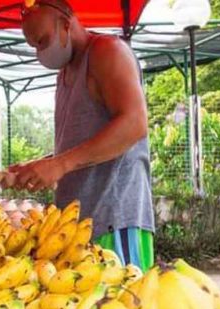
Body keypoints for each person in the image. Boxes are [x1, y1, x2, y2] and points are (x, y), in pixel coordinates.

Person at [11, 0, 154, 271]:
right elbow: (81, 145)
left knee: (126, 307)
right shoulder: (65, 73)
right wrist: (41, 165)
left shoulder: (107, 51)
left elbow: (134, 123)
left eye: (42, 41)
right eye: (34, 47)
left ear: (66, 23)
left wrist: (61, 164)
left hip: (115, 220)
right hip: (77, 228)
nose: (40, 52)